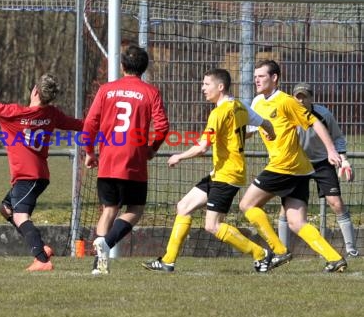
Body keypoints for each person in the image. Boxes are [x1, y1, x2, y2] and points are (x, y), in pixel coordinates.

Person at [0, 71, 83, 271]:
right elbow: (79, 125)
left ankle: (42, 261)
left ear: (35, 91)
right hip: (38, 176)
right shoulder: (52, 114)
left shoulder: (12, 113)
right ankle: (40, 247)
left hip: (28, 177)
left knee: (20, 217)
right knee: (6, 209)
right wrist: (106, 126)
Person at [142, 68, 276, 273]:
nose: (202, 88)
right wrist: (271, 134)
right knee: (184, 206)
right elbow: (264, 123)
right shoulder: (239, 106)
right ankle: (168, 261)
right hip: (221, 172)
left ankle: (261, 254)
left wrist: (179, 156)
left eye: (206, 84)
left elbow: (203, 147)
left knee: (212, 226)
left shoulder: (218, 113)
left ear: (220, 87)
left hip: (228, 175)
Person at [238, 59, 347, 273]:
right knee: (296, 222)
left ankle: (279, 250)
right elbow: (251, 130)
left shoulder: (286, 101)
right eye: (255, 76)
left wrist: (332, 151)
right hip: (300, 169)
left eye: (261, 76)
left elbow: (314, 122)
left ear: (274, 78)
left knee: (247, 205)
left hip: (284, 165)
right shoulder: (258, 101)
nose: (256, 80)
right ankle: (334, 259)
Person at [83, 44, 170, 275]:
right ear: (143, 67)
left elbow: (90, 123)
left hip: (109, 159)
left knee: (108, 210)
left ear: (122, 66)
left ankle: (99, 264)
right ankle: (107, 243)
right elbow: (162, 127)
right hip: (134, 160)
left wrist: (89, 152)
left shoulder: (106, 90)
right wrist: (152, 149)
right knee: (135, 209)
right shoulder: (150, 92)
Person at [277, 83, 358, 257]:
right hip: (297, 164)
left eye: (304, 96)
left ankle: (351, 249)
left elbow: (338, 138)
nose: (300, 100)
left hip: (322, 163)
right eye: (297, 96)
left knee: (336, 203)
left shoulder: (323, 114)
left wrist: (343, 160)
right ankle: (282, 251)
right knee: (287, 208)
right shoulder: (287, 115)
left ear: (311, 98)